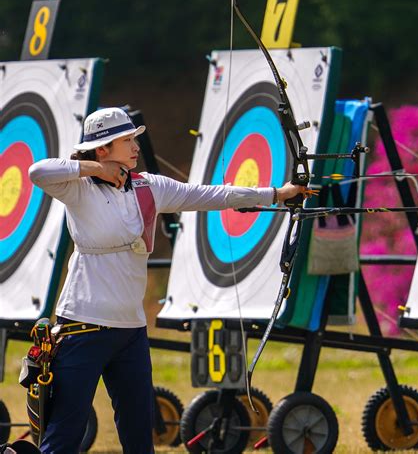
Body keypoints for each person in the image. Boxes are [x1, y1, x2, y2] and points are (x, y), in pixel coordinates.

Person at [28, 107, 305, 454]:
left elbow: (213, 195)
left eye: (134, 139)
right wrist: (96, 169)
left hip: (130, 330)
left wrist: (277, 194)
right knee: (64, 434)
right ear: (102, 149)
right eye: (126, 141)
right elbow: (37, 171)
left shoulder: (149, 187)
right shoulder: (78, 189)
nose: (135, 147)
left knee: (138, 433)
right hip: (83, 326)